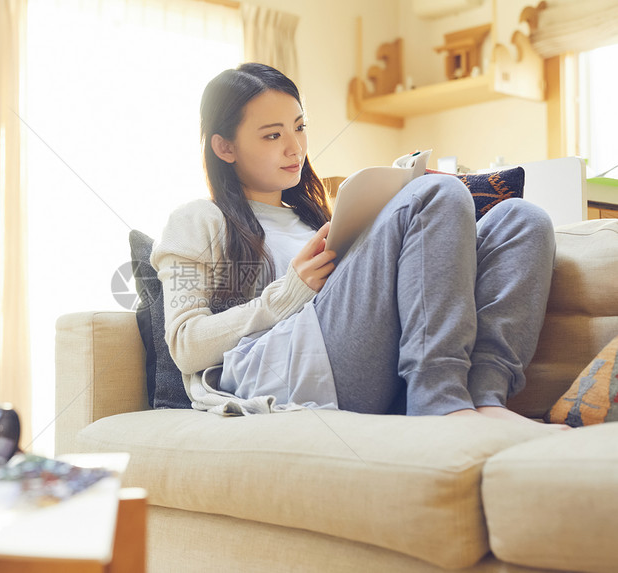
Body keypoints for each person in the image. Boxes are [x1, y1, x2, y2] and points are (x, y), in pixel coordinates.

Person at [149, 62, 565, 428]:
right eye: (272, 135)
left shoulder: (315, 219)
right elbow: (186, 344)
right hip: (282, 370)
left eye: (299, 127)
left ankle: (485, 397)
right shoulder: (197, 219)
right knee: (437, 193)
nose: (295, 148)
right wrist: (288, 293)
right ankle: (439, 398)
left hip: (365, 354)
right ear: (224, 147)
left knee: (522, 221)